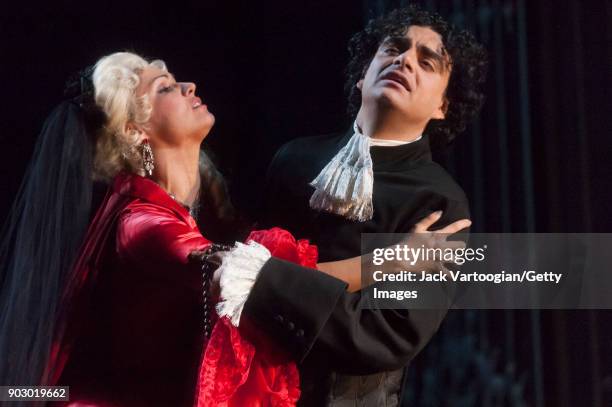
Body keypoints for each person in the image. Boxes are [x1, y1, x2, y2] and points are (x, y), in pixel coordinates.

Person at [0, 51, 465, 406]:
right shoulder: (142, 223)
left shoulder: (204, 208)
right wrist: (392, 258)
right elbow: (246, 273)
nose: (188, 85)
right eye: (164, 87)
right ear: (135, 131)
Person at [247, 5, 487, 406]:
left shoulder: (440, 202)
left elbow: (386, 335)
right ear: (362, 76)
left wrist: (266, 286)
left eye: (427, 63)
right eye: (394, 48)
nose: (404, 59)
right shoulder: (293, 159)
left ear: (442, 107)